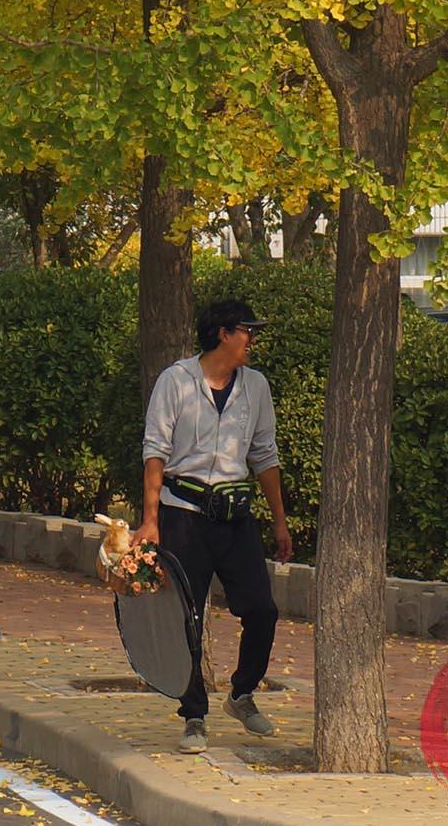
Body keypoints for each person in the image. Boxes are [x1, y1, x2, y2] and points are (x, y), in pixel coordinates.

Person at [137, 297, 292, 753]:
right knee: (186, 616)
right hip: (181, 514)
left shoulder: (255, 387)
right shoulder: (176, 381)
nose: (253, 339)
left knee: (262, 609)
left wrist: (279, 522)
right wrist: (150, 521)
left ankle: (242, 693)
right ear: (223, 333)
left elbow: (264, 455)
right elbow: (154, 452)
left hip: (235, 515)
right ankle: (194, 716)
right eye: (247, 330)